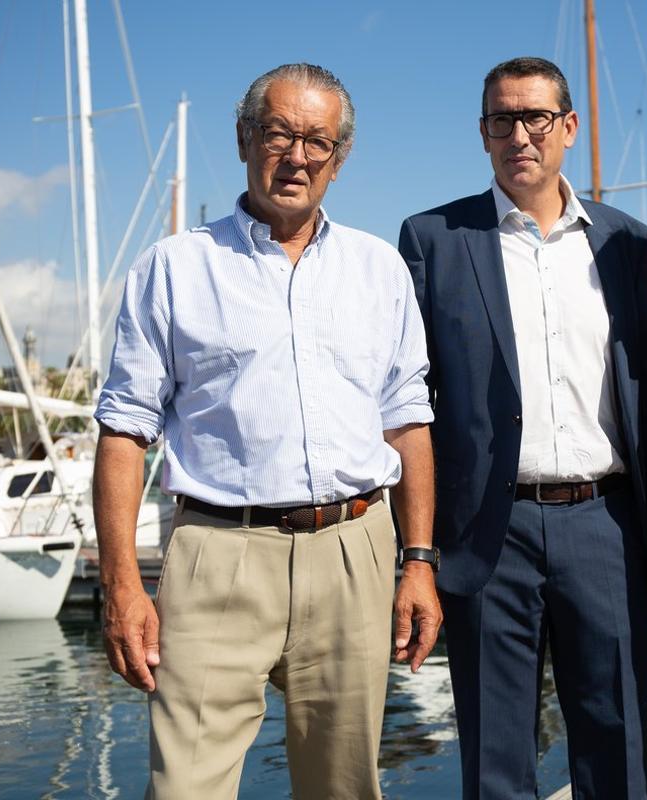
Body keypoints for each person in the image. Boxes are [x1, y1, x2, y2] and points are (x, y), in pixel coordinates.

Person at [92, 63, 441, 800]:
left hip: (355, 551)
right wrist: (123, 585)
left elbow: (408, 421)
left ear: (339, 160)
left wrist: (418, 562)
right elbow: (124, 431)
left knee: (342, 788)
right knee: (185, 787)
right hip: (217, 555)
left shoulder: (380, 270)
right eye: (279, 132)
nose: (297, 155)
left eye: (317, 140)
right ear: (246, 138)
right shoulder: (174, 268)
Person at [398, 57, 647, 799]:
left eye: (535, 118)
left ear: (568, 128)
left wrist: (646, 520)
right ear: (483, 133)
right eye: (502, 120)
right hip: (490, 532)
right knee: (495, 761)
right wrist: (419, 548)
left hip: (605, 523)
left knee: (617, 747)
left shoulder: (627, 242)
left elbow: (642, 388)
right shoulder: (432, 238)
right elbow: (410, 400)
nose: (519, 135)